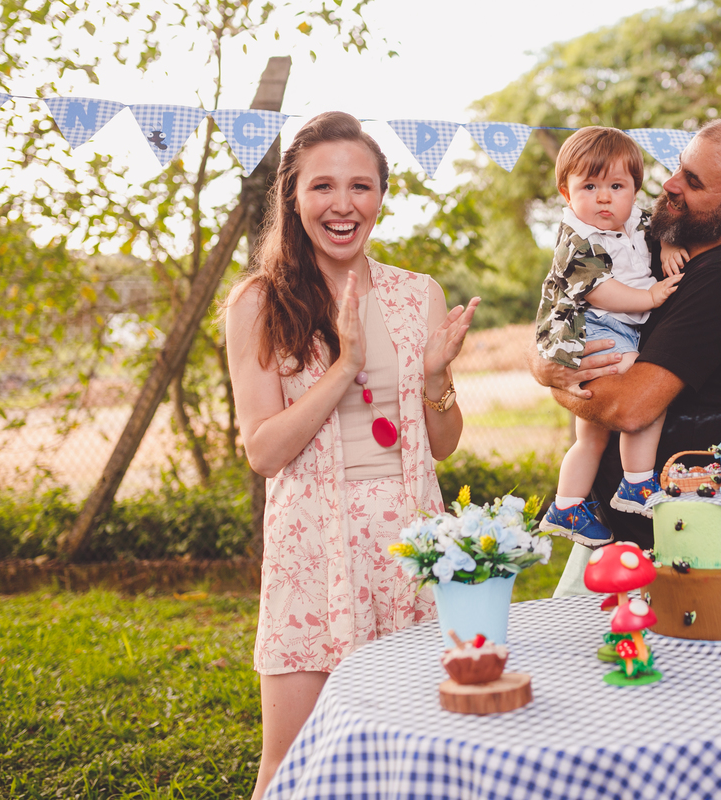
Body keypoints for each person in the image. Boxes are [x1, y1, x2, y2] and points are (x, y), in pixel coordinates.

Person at [223, 111, 480, 799]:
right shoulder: (258, 302)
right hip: (315, 551)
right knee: (292, 760)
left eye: (360, 186)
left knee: (421, 753)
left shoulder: (416, 293)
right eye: (324, 187)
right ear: (293, 196)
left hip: (411, 546)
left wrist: (433, 378)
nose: (343, 205)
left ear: (381, 195)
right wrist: (345, 366)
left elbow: (443, 447)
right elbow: (264, 451)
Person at [529, 117, 721, 595]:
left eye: (692, 182)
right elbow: (568, 298)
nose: (669, 185)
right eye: (678, 168)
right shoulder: (649, 238)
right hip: (621, 530)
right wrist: (545, 359)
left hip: (689, 530)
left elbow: (629, 407)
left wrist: (552, 376)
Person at [535, 127, 685, 547]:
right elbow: (601, 291)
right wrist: (650, 295)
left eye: (616, 186)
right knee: (640, 391)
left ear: (634, 190)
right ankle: (637, 482)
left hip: (615, 326)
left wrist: (670, 244)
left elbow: (663, 227)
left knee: (592, 435)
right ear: (566, 193)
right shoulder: (577, 240)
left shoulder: (635, 220)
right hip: (595, 327)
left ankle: (567, 505)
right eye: (590, 186)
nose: (604, 197)